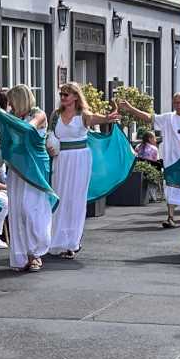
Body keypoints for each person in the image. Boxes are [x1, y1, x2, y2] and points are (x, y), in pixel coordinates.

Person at [47, 82, 121, 259]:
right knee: (59, 197)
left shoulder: (83, 115)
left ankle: (72, 242)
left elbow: (97, 118)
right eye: (61, 94)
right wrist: (49, 146)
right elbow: (49, 134)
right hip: (61, 158)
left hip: (79, 158)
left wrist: (108, 117)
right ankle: (56, 240)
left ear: (75, 96)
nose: (63, 97)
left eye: (66, 94)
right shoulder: (55, 115)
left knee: (75, 199)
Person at [0, 85, 57, 272]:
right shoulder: (13, 116)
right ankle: (23, 255)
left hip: (35, 168)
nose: (11, 106)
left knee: (32, 209)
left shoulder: (38, 114)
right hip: (17, 167)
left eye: (13, 101)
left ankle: (36, 252)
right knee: (17, 210)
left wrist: (2, 114)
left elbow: (27, 130)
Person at [119, 93, 180, 228]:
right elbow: (148, 117)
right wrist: (130, 109)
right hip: (172, 160)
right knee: (171, 187)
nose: (178, 105)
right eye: (176, 102)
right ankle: (170, 217)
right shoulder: (168, 118)